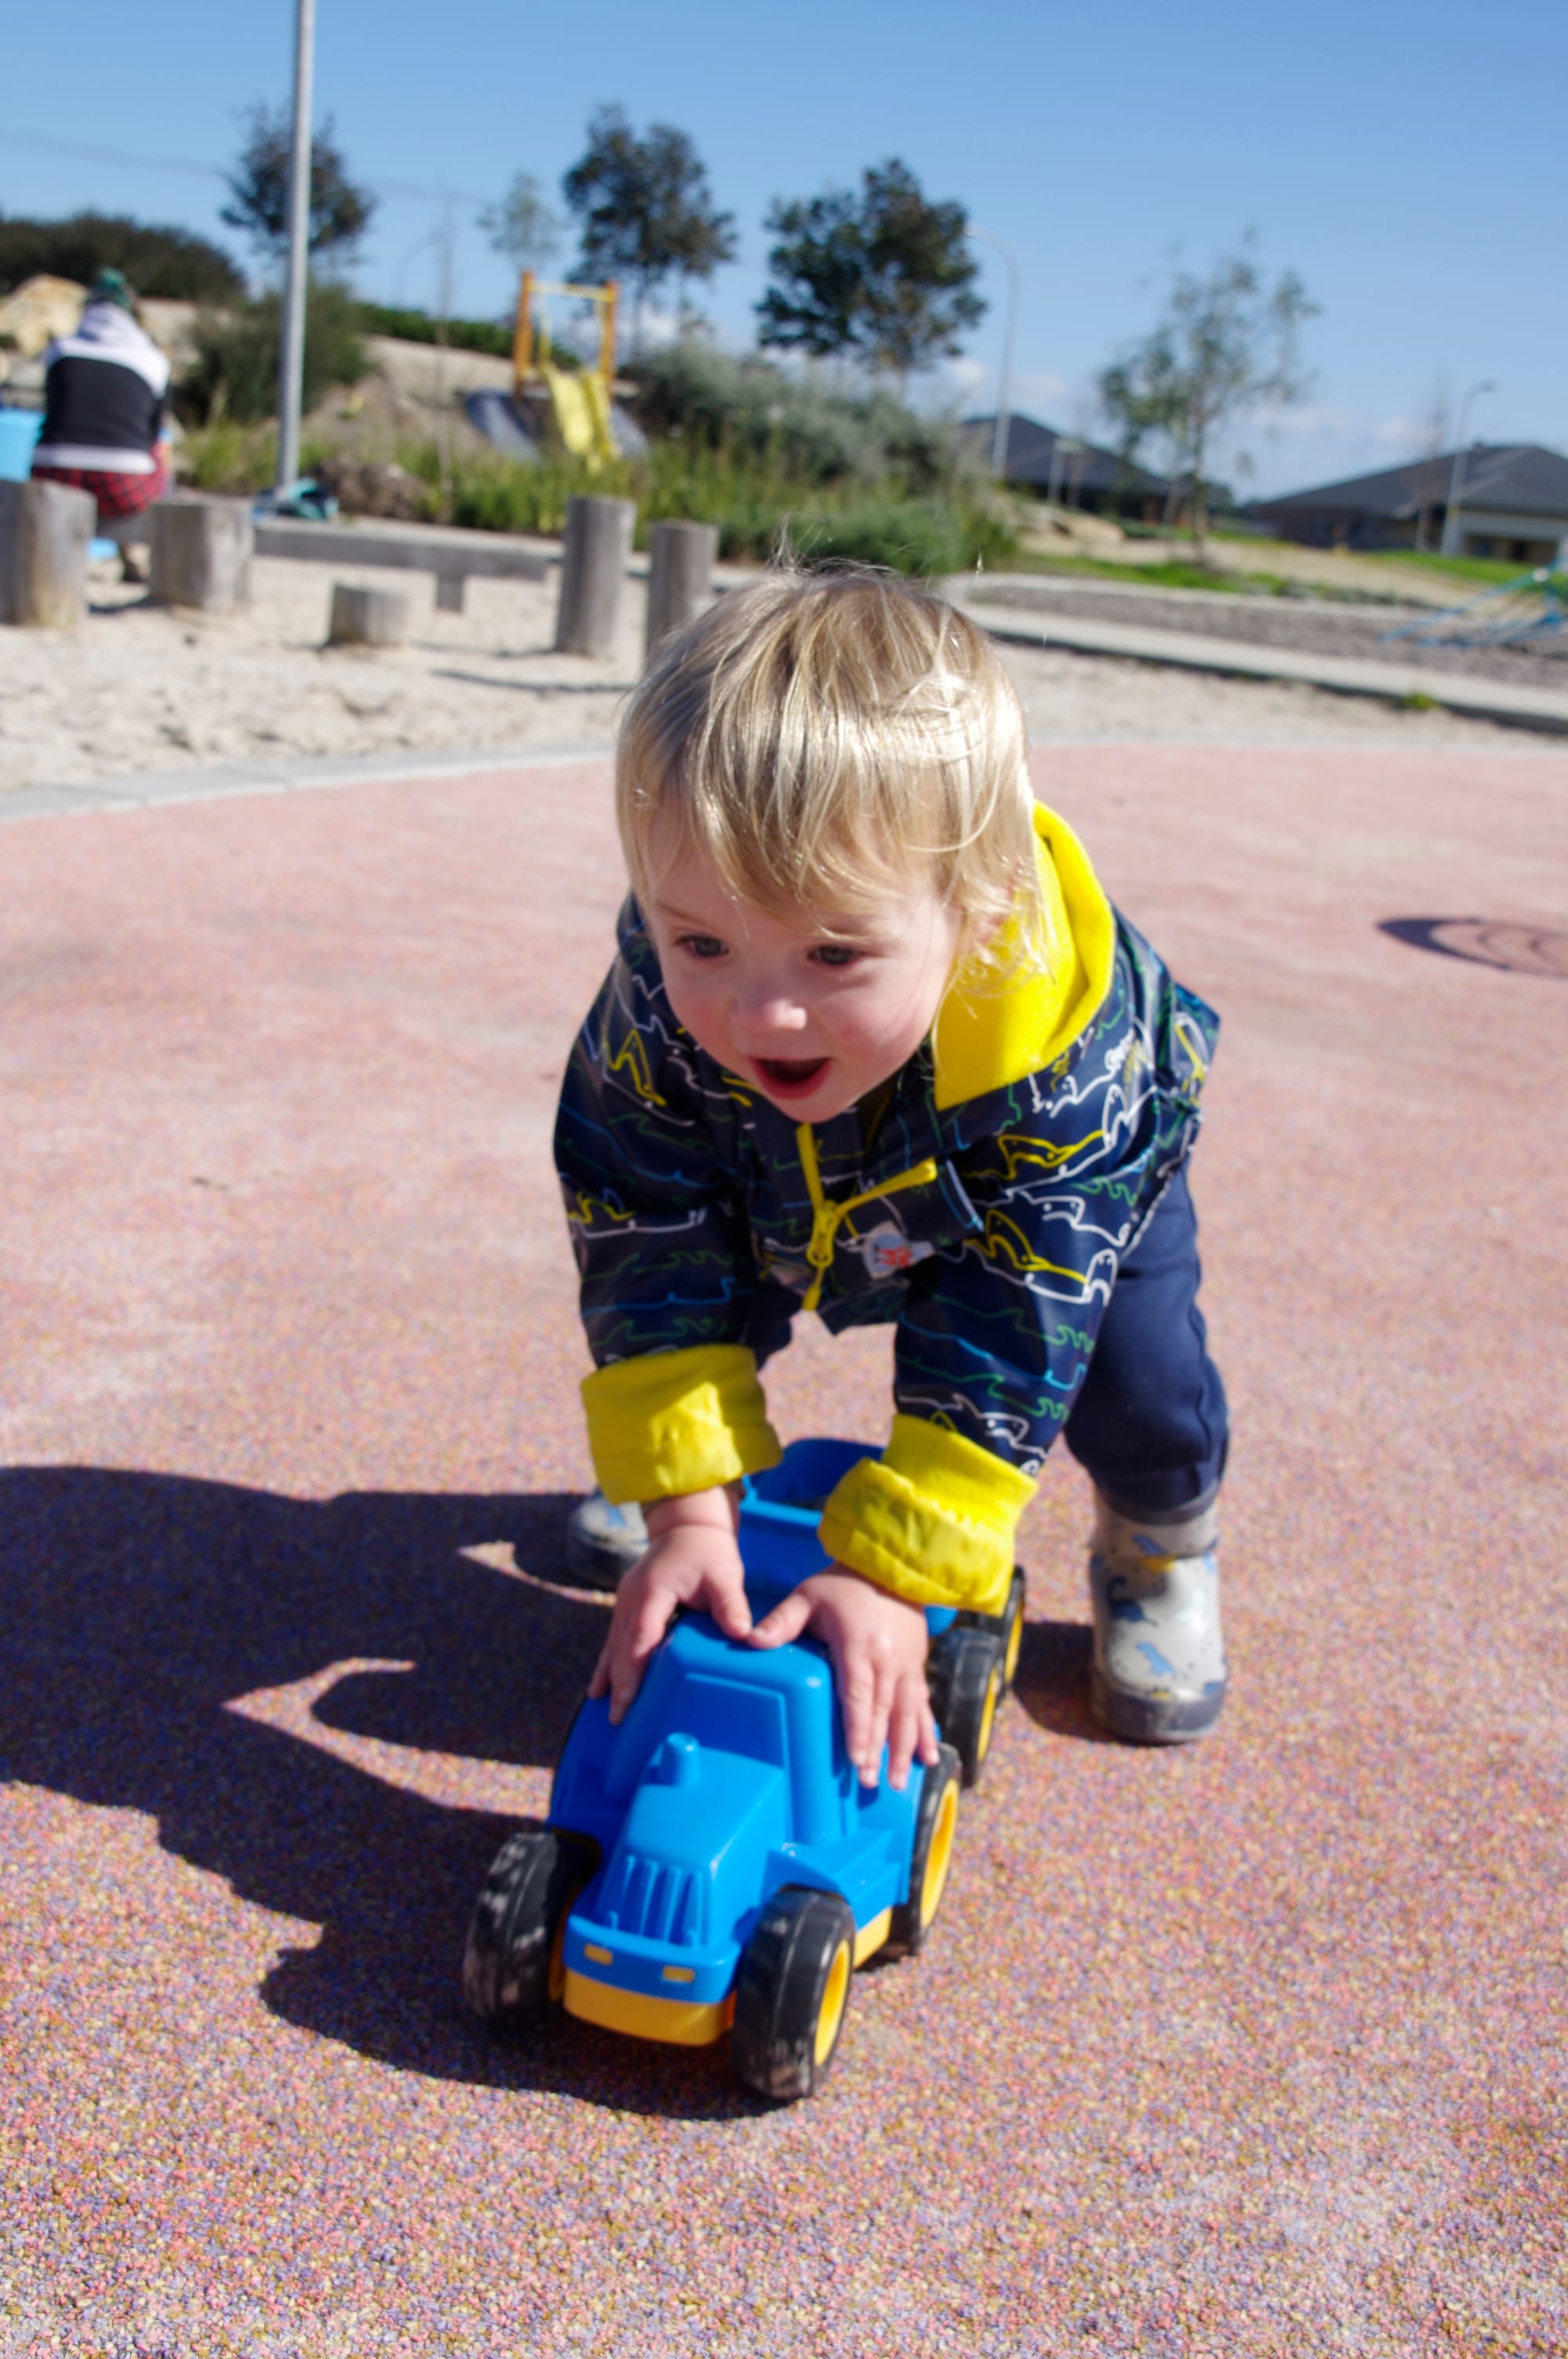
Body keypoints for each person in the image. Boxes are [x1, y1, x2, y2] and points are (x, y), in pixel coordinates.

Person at [554, 569, 1227, 1790]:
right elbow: (640, 1221)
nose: (764, 1007)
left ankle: (1162, 1543)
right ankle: (698, 1472)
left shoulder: (1060, 1072)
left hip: (1035, 1202)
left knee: (1136, 1386)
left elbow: (1013, 1327)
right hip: (775, 1174)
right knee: (703, 1275)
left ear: (979, 909)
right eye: (700, 938)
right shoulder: (665, 1011)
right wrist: (688, 1505)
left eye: (835, 949)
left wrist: (895, 1577)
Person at [31, 268, 172, 579]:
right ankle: (134, 555)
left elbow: (53, 412)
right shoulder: (153, 360)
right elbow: (154, 434)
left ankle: (57, 560)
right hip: (122, 483)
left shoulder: (60, 351)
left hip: (54, 472)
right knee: (161, 455)